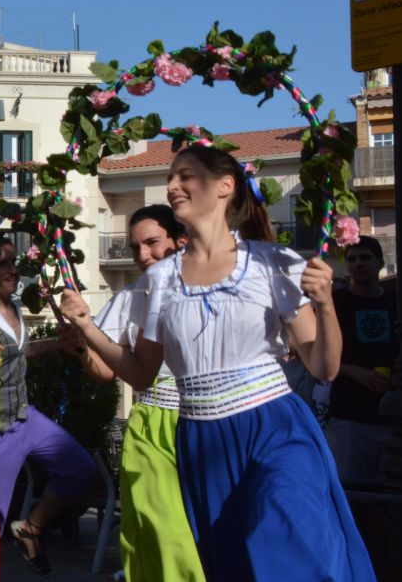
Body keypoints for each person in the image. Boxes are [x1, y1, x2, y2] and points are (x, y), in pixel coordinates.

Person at [61, 143, 374, 580]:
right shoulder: (160, 280)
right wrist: (87, 328)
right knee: (234, 562)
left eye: (186, 176)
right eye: (172, 177)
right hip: (202, 439)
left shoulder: (272, 263)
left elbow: (324, 368)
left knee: (287, 535)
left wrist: (324, 304)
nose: (173, 186)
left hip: (274, 426)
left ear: (225, 186)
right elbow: (140, 374)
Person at [59, 205, 203, 581]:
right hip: (154, 430)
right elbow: (106, 371)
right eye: (135, 247)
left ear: (180, 240)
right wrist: (81, 341)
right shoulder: (129, 298)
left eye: (153, 243)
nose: (143, 256)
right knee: (164, 539)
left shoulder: (212, 287)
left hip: (211, 423)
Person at [0, 237, 95, 577]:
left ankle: (30, 528)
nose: (12, 269)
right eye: (2, 264)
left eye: (14, 262)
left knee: (79, 468)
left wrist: (57, 344)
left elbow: (19, 352)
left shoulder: (13, 308)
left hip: (24, 416)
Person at [328, 236, 398, 481]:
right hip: (349, 419)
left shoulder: (395, 302)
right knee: (354, 498)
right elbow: (317, 358)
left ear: (380, 262)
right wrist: (354, 371)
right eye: (352, 259)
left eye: (365, 258)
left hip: (392, 421)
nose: (358, 264)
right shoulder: (335, 305)